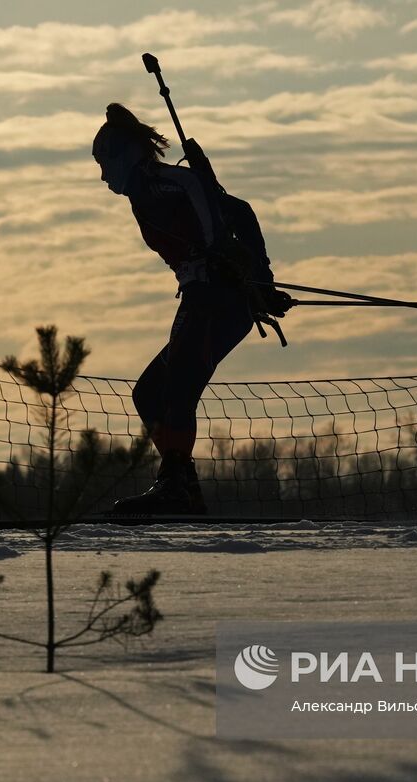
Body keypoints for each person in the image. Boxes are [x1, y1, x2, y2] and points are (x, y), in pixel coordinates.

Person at [92, 103, 290, 515]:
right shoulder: (149, 193)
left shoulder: (168, 182)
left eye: (104, 162)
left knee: (177, 384)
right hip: (211, 294)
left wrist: (258, 277)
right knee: (151, 393)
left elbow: (235, 212)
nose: (103, 175)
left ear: (124, 155)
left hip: (213, 296)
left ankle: (176, 487)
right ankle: (181, 484)